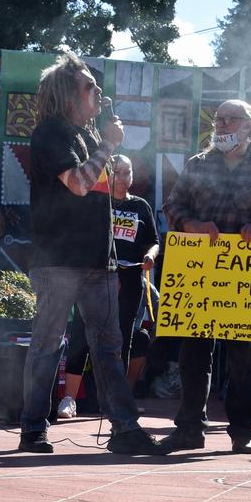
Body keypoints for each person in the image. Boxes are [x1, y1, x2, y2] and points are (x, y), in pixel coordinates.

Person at [18, 51, 166, 455]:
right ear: (70, 94)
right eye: (90, 86)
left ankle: (124, 427)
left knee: (109, 345)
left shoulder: (88, 135)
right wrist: (110, 145)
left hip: (99, 261)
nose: (98, 92)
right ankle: (33, 428)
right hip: (59, 260)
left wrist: (104, 144)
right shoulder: (51, 133)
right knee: (48, 344)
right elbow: (79, 184)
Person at [159, 99, 251, 455]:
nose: (220, 125)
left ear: (249, 127)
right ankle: (189, 428)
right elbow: (172, 207)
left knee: (243, 358)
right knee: (193, 355)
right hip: (199, 276)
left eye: (229, 119)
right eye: (218, 120)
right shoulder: (197, 164)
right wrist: (192, 224)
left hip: (245, 281)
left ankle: (242, 430)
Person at [58, 155, 160, 419]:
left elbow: (154, 241)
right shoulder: (95, 201)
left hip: (129, 278)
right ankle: (69, 398)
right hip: (96, 275)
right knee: (82, 331)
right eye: (117, 172)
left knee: (124, 337)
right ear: (107, 175)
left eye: (127, 172)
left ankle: (116, 399)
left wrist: (150, 257)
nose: (123, 177)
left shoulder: (140, 206)